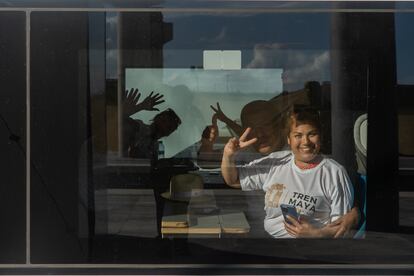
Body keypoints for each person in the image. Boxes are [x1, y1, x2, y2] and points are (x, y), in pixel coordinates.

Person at [221, 108, 354, 238]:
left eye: (312, 134)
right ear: (289, 140)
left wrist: (315, 234)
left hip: (308, 252)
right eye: (298, 135)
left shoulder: (334, 172)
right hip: (268, 245)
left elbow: (341, 228)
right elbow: (233, 180)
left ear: (320, 138)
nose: (306, 142)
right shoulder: (276, 161)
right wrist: (228, 155)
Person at [122, 88, 181, 159]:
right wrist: (140, 106)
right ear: (157, 117)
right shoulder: (138, 127)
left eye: (169, 127)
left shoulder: (156, 147)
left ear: (169, 133)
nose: (164, 126)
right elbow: (119, 123)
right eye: (164, 121)